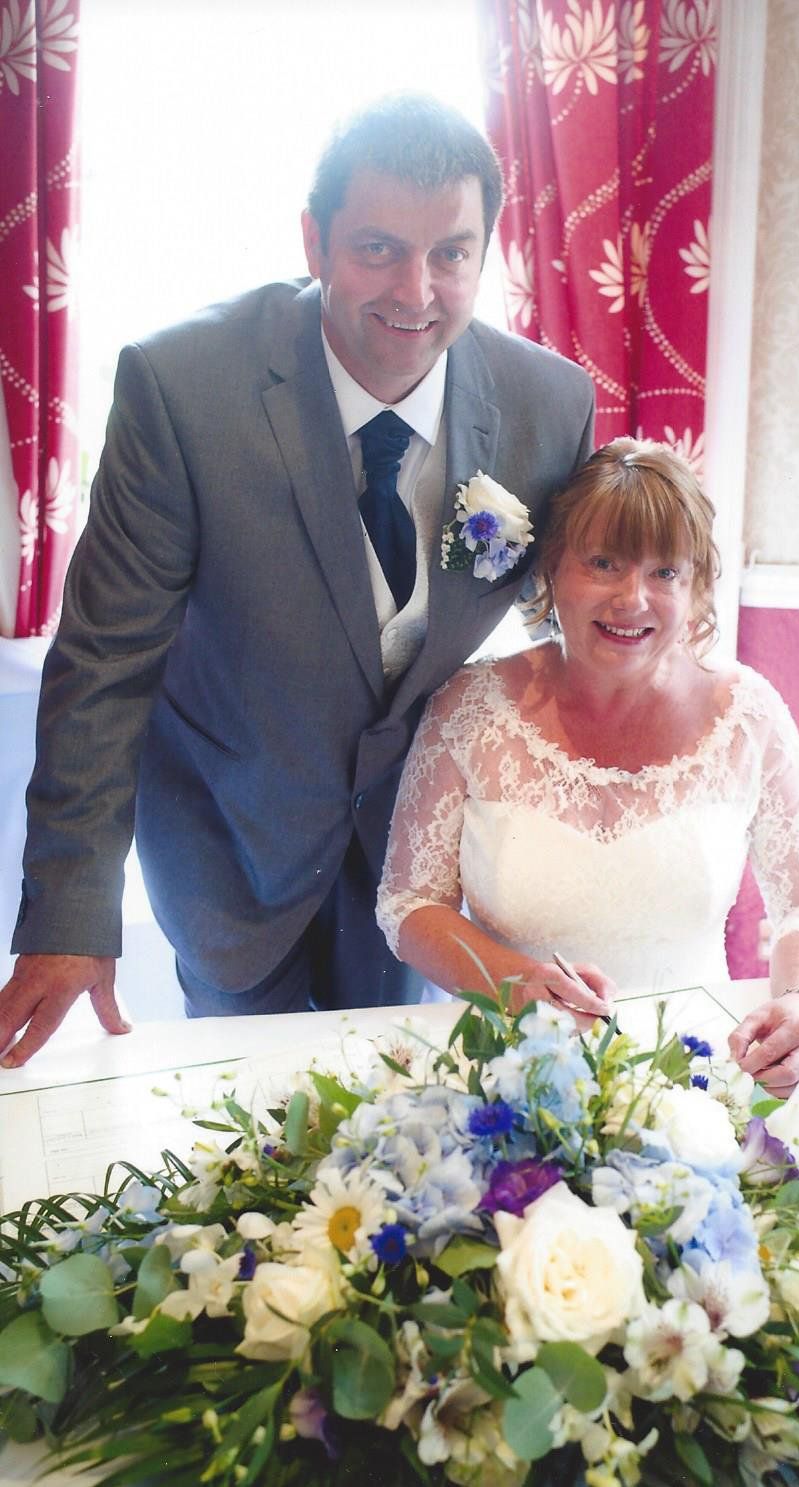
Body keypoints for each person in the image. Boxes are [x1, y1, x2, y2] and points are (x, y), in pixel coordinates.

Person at [0, 95, 596, 1067]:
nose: (416, 289)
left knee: (400, 1108)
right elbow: (105, 662)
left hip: (420, 854)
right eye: (377, 248)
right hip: (228, 832)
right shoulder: (182, 388)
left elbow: (573, 631)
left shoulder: (550, 404)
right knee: (245, 1130)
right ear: (314, 241)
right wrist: (71, 910)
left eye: (451, 252)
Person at [377, 439, 799, 1100]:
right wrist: (510, 981)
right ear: (553, 567)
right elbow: (409, 902)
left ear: (695, 587)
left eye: (664, 572)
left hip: (696, 1075)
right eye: (603, 562)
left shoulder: (747, 715)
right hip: (506, 1076)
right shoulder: (469, 706)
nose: (631, 597)